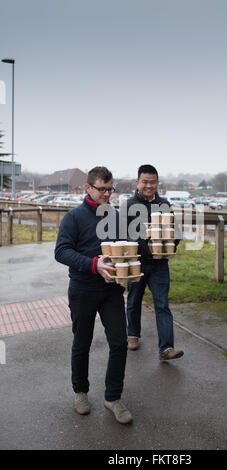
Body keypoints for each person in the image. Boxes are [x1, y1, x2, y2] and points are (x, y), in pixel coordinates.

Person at [54, 166, 132, 425]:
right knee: (82, 343)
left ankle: (113, 397)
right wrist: (93, 264)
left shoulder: (116, 216)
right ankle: (80, 393)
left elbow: (124, 248)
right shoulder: (73, 218)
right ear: (88, 188)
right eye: (102, 189)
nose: (107, 194)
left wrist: (130, 265)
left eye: (110, 189)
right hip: (83, 289)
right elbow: (61, 251)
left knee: (120, 342)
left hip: (111, 291)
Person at [124, 164, 184, 360]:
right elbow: (122, 234)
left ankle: (166, 348)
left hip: (159, 265)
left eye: (152, 182)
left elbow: (176, 232)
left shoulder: (165, 204)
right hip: (137, 262)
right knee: (133, 301)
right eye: (145, 182)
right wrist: (140, 247)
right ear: (137, 183)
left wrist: (170, 247)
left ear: (158, 183)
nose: (148, 186)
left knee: (162, 304)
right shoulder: (129, 205)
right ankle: (132, 335)